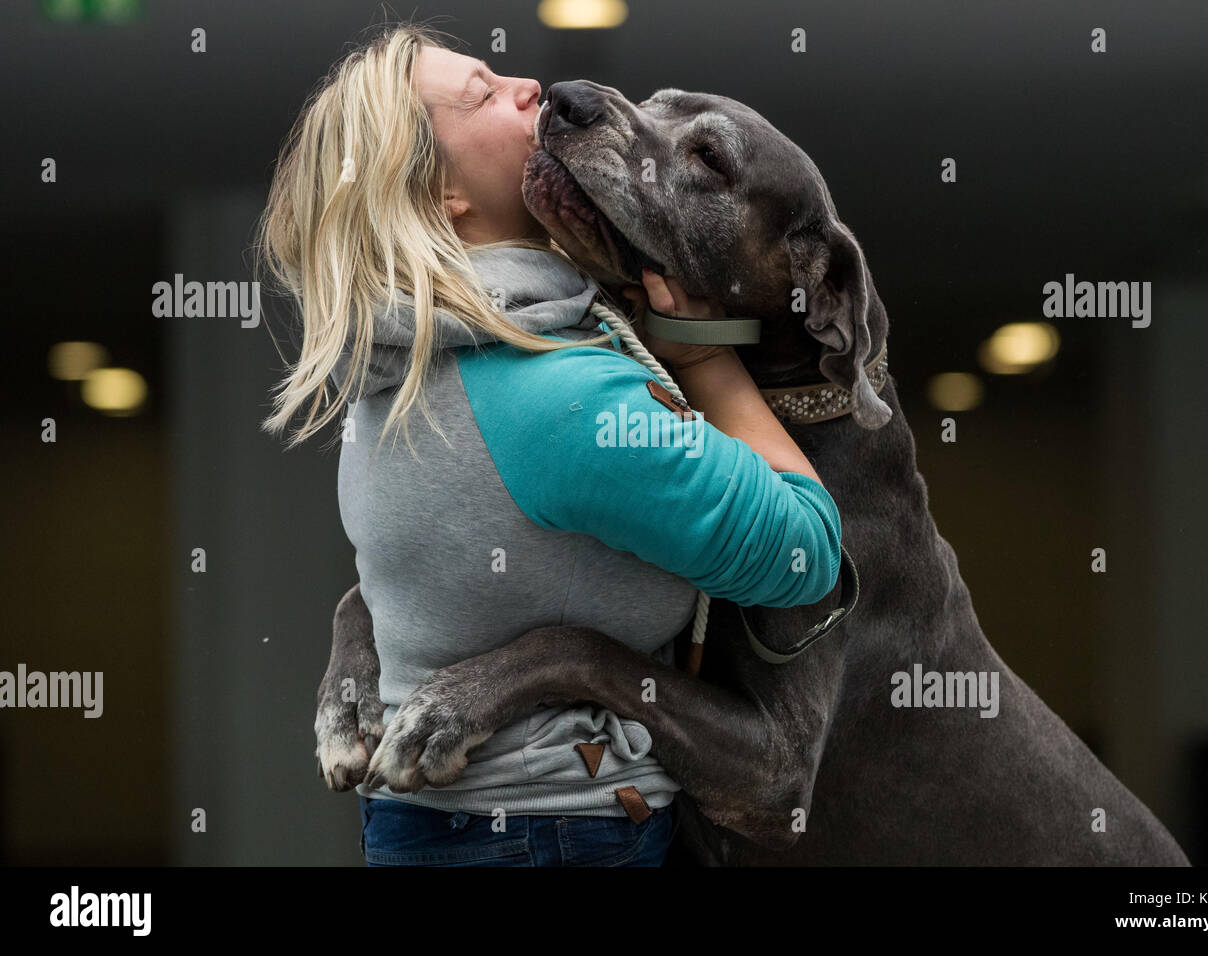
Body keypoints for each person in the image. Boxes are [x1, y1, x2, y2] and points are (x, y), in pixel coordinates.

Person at [256, 22, 842, 867]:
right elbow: (805, 555)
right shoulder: (563, 398)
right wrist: (709, 359)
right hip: (562, 836)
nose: (529, 85)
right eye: (483, 94)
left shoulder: (395, 380)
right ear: (438, 197)